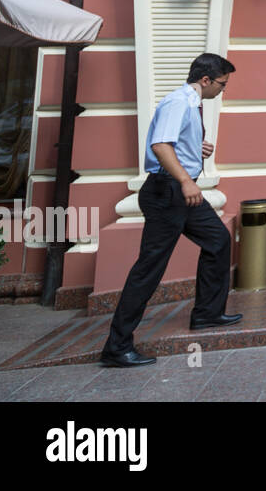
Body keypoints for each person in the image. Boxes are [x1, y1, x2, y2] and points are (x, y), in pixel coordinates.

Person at [100, 53, 242, 368]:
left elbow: (173, 143)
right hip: (168, 192)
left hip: (179, 192)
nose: (222, 90)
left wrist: (195, 147)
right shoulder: (178, 102)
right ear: (205, 80)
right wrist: (185, 182)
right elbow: (160, 146)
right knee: (149, 268)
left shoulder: (191, 104)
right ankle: (117, 346)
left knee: (218, 240)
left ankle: (207, 313)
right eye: (221, 84)